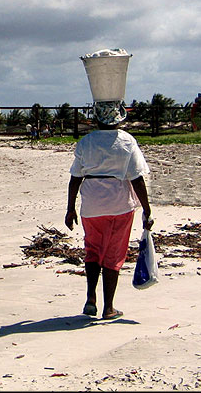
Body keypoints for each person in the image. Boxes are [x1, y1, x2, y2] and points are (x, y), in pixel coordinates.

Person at [65, 100, 153, 320]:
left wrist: (70, 209)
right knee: (113, 255)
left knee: (92, 250)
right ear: (119, 119)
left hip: (91, 204)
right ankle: (109, 307)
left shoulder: (86, 142)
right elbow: (137, 179)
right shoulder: (126, 141)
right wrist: (147, 209)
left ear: (97, 119)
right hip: (119, 204)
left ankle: (90, 299)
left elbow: (75, 178)